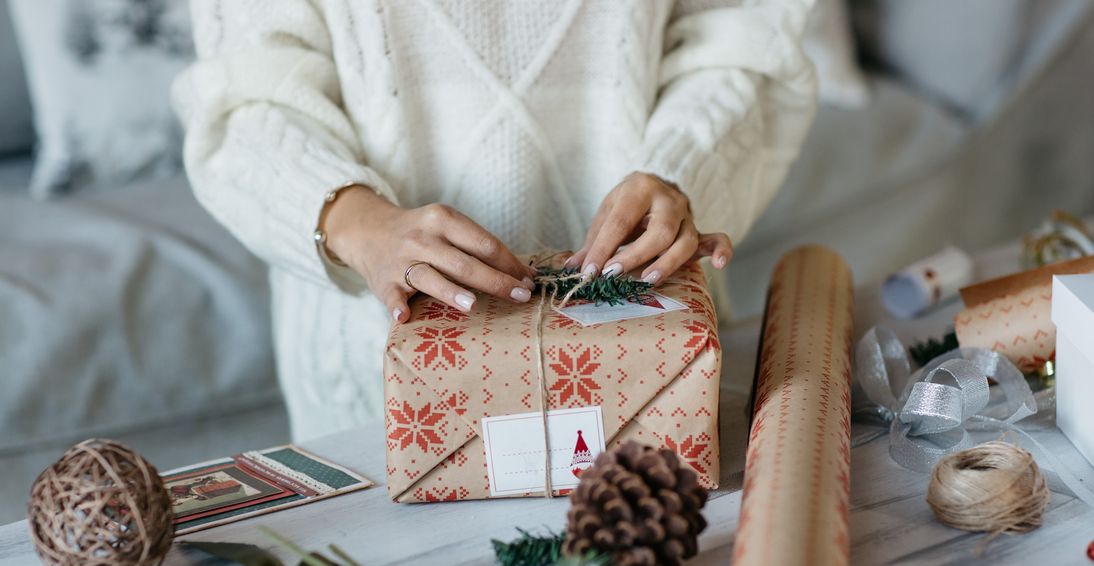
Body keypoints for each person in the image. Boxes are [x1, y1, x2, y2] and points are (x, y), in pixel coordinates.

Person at [174, 0, 817, 441]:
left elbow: (742, 38)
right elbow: (242, 98)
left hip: (647, 355)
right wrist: (356, 220)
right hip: (378, 378)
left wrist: (683, 170)